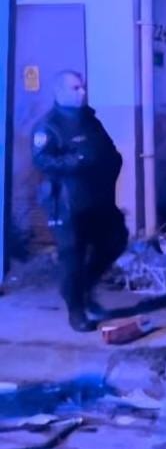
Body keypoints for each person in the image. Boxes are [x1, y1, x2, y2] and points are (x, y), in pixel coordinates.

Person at [31, 70, 128, 332]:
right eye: (75, 88)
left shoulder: (90, 120)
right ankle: (76, 311)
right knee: (72, 256)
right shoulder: (49, 125)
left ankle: (84, 288)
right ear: (59, 92)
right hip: (66, 202)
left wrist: (113, 163)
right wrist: (76, 162)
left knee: (116, 240)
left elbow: (108, 151)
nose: (82, 92)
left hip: (98, 198)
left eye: (82, 87)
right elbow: (42, 160)